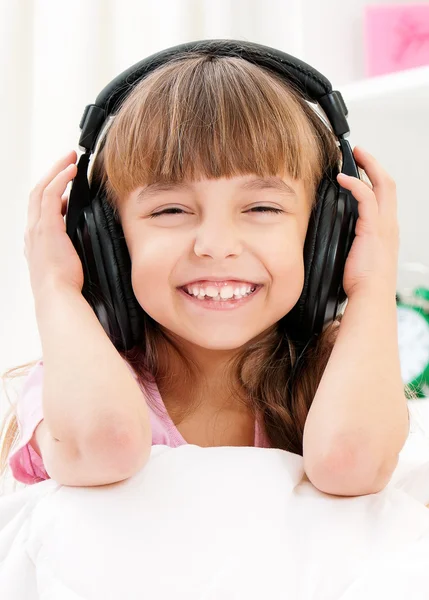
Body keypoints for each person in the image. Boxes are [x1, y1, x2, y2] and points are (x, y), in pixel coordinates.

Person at [0, 42, 413, 496]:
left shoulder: (338, 374)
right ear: (104, 240)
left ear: (325, 236)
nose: (216, 246)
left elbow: (351, 463)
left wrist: (372, 284)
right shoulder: (71, 379)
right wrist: (56, 285)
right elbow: (105, 444)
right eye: (170, 210)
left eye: (260, 207)